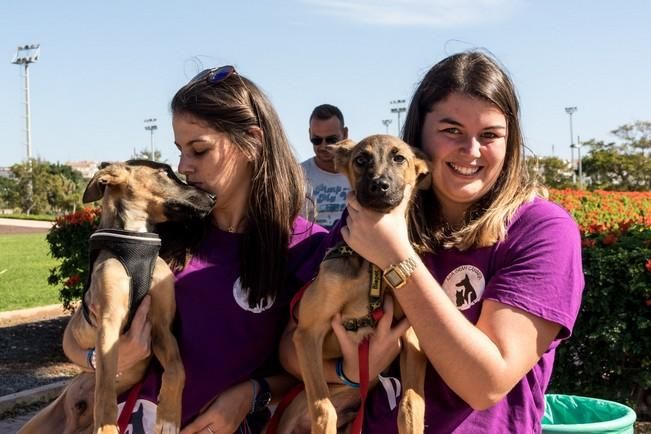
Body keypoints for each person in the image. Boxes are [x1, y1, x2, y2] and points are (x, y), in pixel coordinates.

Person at [281, 51, 584, 433]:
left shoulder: (541, 230)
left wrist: (395, 256)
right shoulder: (369, 220)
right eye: (452, 130)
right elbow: (293, 347)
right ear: (419, 140)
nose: (471, 151)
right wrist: (351, 370)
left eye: (490, 135)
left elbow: (485, 383)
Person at [62, 65, 328, 434]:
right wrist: (101, 357)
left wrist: (250, 394)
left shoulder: (308, 246)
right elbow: (74, 339)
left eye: (199, 150)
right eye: (180, 150)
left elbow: (310, 367)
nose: (184, 167)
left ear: (252, 142)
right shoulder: (161, 236)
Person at [300, 104, 351, 229]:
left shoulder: (361, 172)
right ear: (309, 134)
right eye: (316, 140)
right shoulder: (297, 176)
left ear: (344, 134)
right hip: (313, 246)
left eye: (331, 140)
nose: (323, 146)